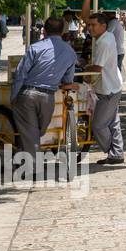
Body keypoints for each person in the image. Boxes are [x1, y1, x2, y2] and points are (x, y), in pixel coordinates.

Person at [8, 17, 79, 158]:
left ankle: (32, 164)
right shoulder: (70, 52)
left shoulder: (35, 48)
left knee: (31, 132)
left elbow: (21, 73)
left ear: (44, 31)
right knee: (36, 132)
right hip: (48, 98)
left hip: (27, 95)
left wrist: (13, 96)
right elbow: (67, 80)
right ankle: (25, 158)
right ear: (62, 32)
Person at [87, 13, 126, 165]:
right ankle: (116, 153)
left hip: (108, 89)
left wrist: (86, 69)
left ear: (103, 26)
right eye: (89, 25)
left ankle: (114, 152)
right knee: (113, 122)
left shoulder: (104, 41)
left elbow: (97, 68)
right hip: (112, 85)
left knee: (98, 125)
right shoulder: (106, 37)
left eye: (93, 25)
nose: (90, 28)